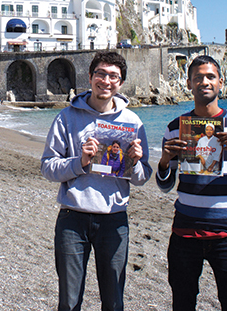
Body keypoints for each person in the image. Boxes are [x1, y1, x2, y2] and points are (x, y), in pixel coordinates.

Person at [41, 51, 152, 311]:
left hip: (114, 218)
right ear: (90, 78)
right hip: (72, 218)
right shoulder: (66, 117)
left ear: (121, 83)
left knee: (113, 301)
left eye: (114, 76)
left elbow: (142, 178)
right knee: (69, 301)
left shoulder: (133, 122)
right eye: (100, 73)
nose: (106, 80)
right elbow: (47, 167)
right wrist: (80, 162)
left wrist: (135, 163)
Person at [156, 55, 227, 311]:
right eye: (198, 78)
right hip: (185, 231)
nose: (204, 82)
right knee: (182, 304)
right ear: (188, 84)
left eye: (210, 77)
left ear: (221, 82)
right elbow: (164, 186)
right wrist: (164, 162)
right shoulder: (176, 127)